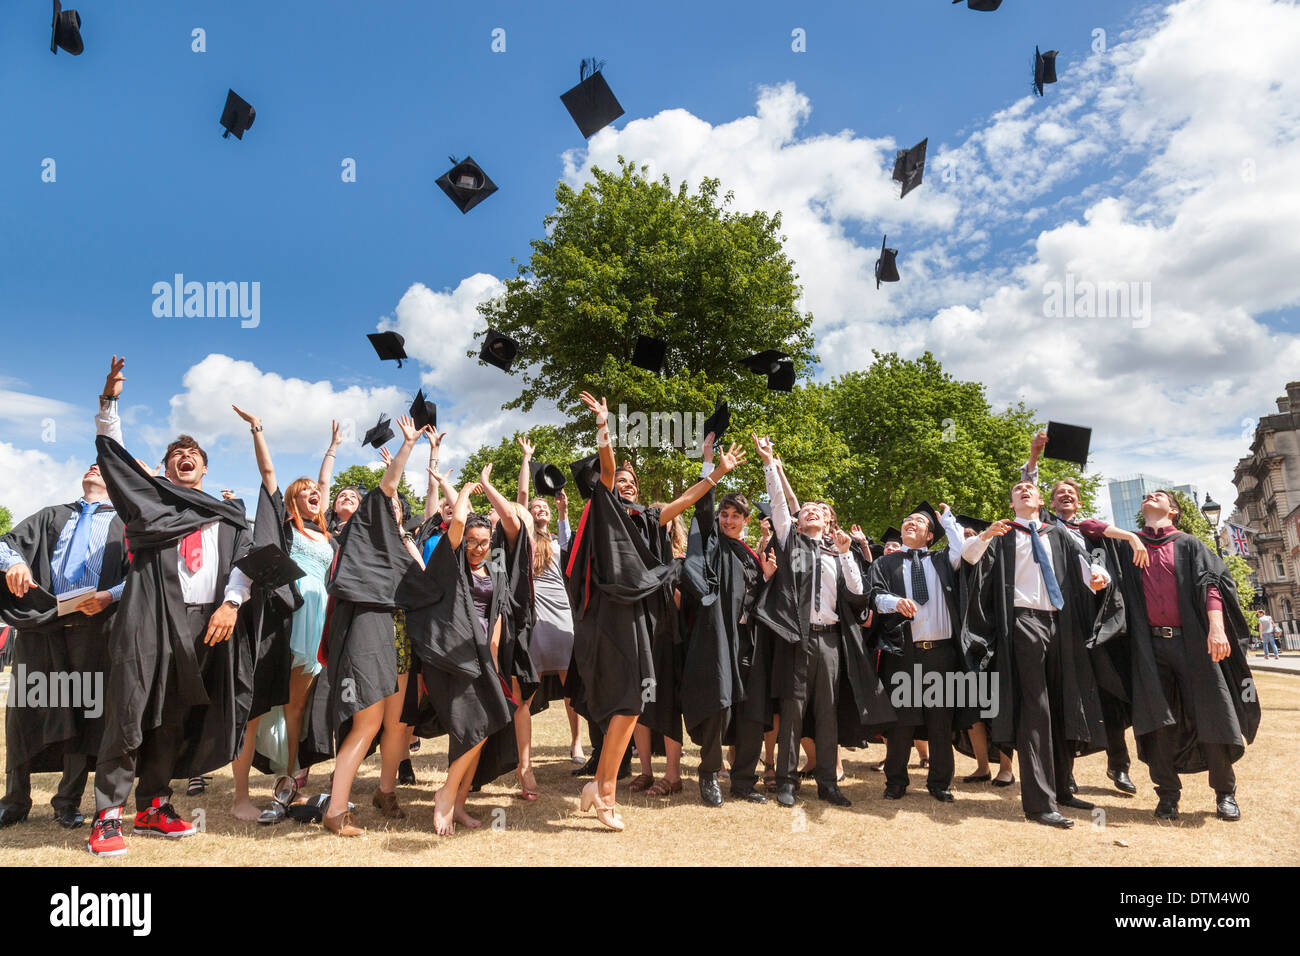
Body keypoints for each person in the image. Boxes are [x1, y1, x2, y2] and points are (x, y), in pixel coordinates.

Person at [87, 361, 256, 857]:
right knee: (130, 707)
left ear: (205, 469)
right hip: (149, 613)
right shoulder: (151, 504)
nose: (186, 458)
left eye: (194, 455)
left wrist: (231, 602)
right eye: (176, 454)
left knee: (174, 716)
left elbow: (245, 562)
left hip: (205, 620)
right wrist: (109, 403)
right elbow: (117, 459)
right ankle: (107, 815)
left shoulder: (224, 512)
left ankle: (155, 805)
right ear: (163, 470)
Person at [565, 391, 744, 830]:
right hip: (609, 616)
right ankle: (604, 792)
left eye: (631, 481)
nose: (627, 483)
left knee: (633, 704)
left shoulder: (647, 517)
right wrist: (605, 427)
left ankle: (601, 788)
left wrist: (716, 473)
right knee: (622, 703)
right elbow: (607, 468)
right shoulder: (603, 509)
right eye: (620, 480)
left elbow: (684, 501)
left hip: (642, 616)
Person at [0, 358, 130, 831]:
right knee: (24, 713)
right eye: (90, 463)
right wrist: (12, 562)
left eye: (103, 465)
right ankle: (14, 801)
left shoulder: (126, 523)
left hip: (96, 630)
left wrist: (111, 595)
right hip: (45, 628)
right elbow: (5, 541)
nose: (95, 465)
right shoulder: (53, 514)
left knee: (82, 714)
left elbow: (140, 574)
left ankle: (66, 804)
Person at [1093, 491, 1260, 822]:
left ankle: (1225, 793)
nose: (1148, 497)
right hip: (1148, 647)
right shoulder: (1130, 544)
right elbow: (1088, 525)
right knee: (1157, 720)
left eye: (1159, 495)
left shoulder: (1188, 544)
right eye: (1146, 496)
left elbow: (1212, 585)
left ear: (1174, 510)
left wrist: (1217, 629)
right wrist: (1129, 536)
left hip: (1194, 643)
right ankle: (1168, 794)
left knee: (1212, 712)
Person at [749, 435, 892, 810]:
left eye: (819, 509)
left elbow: (857, 593)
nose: (811, 510)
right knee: (793, 712)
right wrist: (769, 465)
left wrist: (846, 555)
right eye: (806, 508)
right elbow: (780, 505)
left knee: (827, 713)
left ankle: (828, 781)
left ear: (830, 521)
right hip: (797, 640)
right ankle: (786, 782)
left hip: (830, 642)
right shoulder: (790, 542)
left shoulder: (838, 553)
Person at [962, 480, 1110, 829]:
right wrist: (984, 536)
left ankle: (1062, 787)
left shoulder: (1056, 533)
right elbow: (968, 557)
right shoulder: (1000, 533)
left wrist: (1097, 575)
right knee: (1035, 708)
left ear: (1041, 500)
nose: (1024, 491)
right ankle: (1039, 803)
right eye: (1017, 488)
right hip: (1023, 622)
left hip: (1061, 622)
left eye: (1030, 488)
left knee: (1062, 701)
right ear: (1012, 501)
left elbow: (1085, 566)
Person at [400, 467, 529, 834]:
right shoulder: (452, 561)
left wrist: (493, 654)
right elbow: (457, 522)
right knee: (471, 724)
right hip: (451, 655)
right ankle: (445, 796)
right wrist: (455, 487)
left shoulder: (495, 568)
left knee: (485, 724)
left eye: (483, 542)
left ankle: (457, 802)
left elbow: (499, 610)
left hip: (483, 657)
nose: (477, 547)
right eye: (472, 541)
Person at [226, 405, 337, 820]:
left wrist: (332, 450)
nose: (315, 492)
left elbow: (324, 485)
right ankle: (240, 795)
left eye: (317, 490)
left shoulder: (327, 533)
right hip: (283, 619)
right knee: (256, 704)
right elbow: (269, 478)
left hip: (317, 622)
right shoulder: (284, 527)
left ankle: (291, 781)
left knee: (296, 707)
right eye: (305, 488)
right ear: (293, 499)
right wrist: (258, 429)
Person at [317, 415, 426, 837]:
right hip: (370, 627)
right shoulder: (365, 535)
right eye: (388, 503)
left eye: (399, 505)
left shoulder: (406, 545)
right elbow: (386, 486)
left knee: (397, 725)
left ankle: (385, 791)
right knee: (367, 722)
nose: (394, 505)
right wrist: (408, 447)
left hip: (402, 635)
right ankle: (336, 810)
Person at [679, 434, 776, 806]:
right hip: (717, 638)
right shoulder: (713, 544)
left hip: (748, 642)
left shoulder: (751, 556)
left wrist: (765, 578)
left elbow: (755, 600)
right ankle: (708, 775)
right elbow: (701, 510)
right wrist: (711, 466)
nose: (730, 520)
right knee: (719, 705)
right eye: (725, 514)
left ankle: (744, 781)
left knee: (750, 710)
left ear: (747, 520)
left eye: (737, 516)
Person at [866, 503, 971, 802]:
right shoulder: (886, 563)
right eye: (906, 520)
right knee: (901, 721)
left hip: (941, 654)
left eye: (918, 521)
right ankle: (896, 782)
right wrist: (894, 602)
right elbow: (874, 594)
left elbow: (962, 548)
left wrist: (947, 520)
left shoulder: (943, 561)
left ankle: (940, 783)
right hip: (903, 652)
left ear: (929, 535)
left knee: (941, 721)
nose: (909, 523)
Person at [511, 436, 582, 794]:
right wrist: (527, 459)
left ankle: (577, 744)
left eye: (544, 508)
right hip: (534, 615)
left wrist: (565, 512)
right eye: (535, 507)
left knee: (574, 685)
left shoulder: (556, 539)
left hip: (562, 613)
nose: (539, 509)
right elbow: (521, 499)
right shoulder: (522, 536)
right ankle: (525, 761)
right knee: (527, 687)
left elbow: (570, 544)